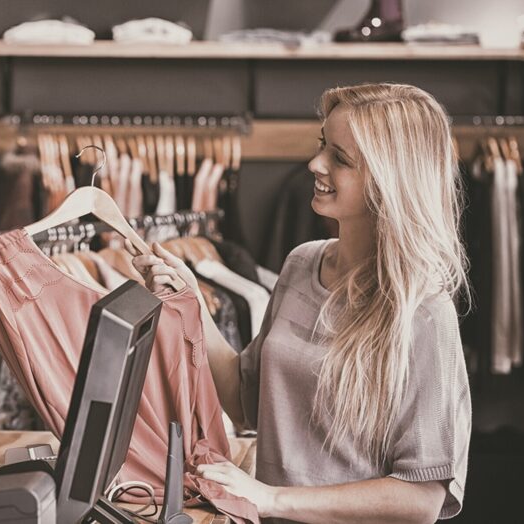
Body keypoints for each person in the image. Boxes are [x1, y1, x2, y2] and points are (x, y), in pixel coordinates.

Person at [135, 83, 471, 523]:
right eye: (321, 145)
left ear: (391, 181)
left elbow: (422, 500)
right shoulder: (301, 264)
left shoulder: (424, 313)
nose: (315, 164)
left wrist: (271, 498)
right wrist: (191, 303)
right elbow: (245, 399)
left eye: (340, 158)